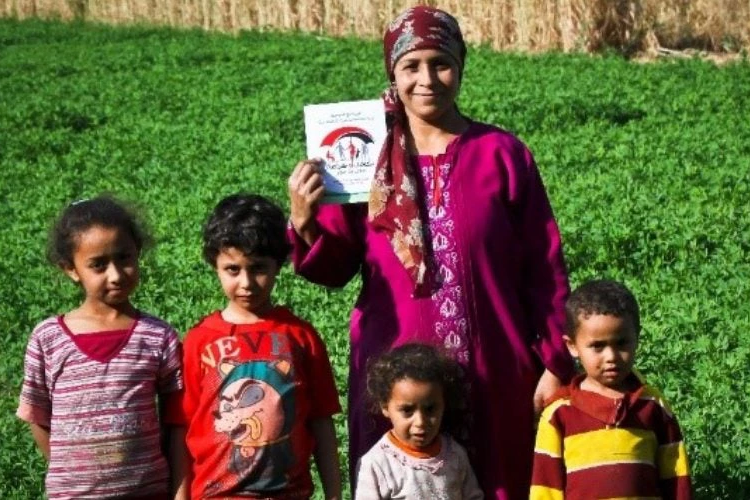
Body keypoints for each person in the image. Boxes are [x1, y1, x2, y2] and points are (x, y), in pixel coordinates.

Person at [286, 6, 574, 498]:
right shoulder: (364, 154)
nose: (427, 80)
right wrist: (304, 220)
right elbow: (336, 266)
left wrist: (554, 363)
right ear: (391, 72)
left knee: (499, 480)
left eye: (440, 63)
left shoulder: (502, 154)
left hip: (496, 370)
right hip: (397, 379)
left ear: (461, 65)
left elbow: (543, 268)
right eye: (410, 66)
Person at [16, 196, 185, 499]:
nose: (116, 275)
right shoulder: (48, 339)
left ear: (138, 253)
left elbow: (176, 420)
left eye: (124, 258)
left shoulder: (158, 336)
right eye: (98, 265)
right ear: (70, 268)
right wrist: (67, 473)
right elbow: (37, 415)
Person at [177, 193, 342, 499]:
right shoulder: (199, 340)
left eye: (258, 268)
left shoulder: (300, 336)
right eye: (232, 269)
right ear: (215, 264)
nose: (246, 283)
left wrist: (334, 494)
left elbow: (321, 421)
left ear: (279, 264)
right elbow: (181, 427)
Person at [530, 279, 692, 499]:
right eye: (597, 346)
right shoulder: (559, 415)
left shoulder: (653, 406)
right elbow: (545, 489)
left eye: (622, 343)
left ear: (637, 338)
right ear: (572, 346)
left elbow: (676, 479)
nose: (611, 357)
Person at [356, 343, 484, 499]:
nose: (420, 422)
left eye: (430, 409)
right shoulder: (377, 465)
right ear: (385, 406)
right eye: (407, 410)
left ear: (444, 404)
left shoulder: (455, 455)